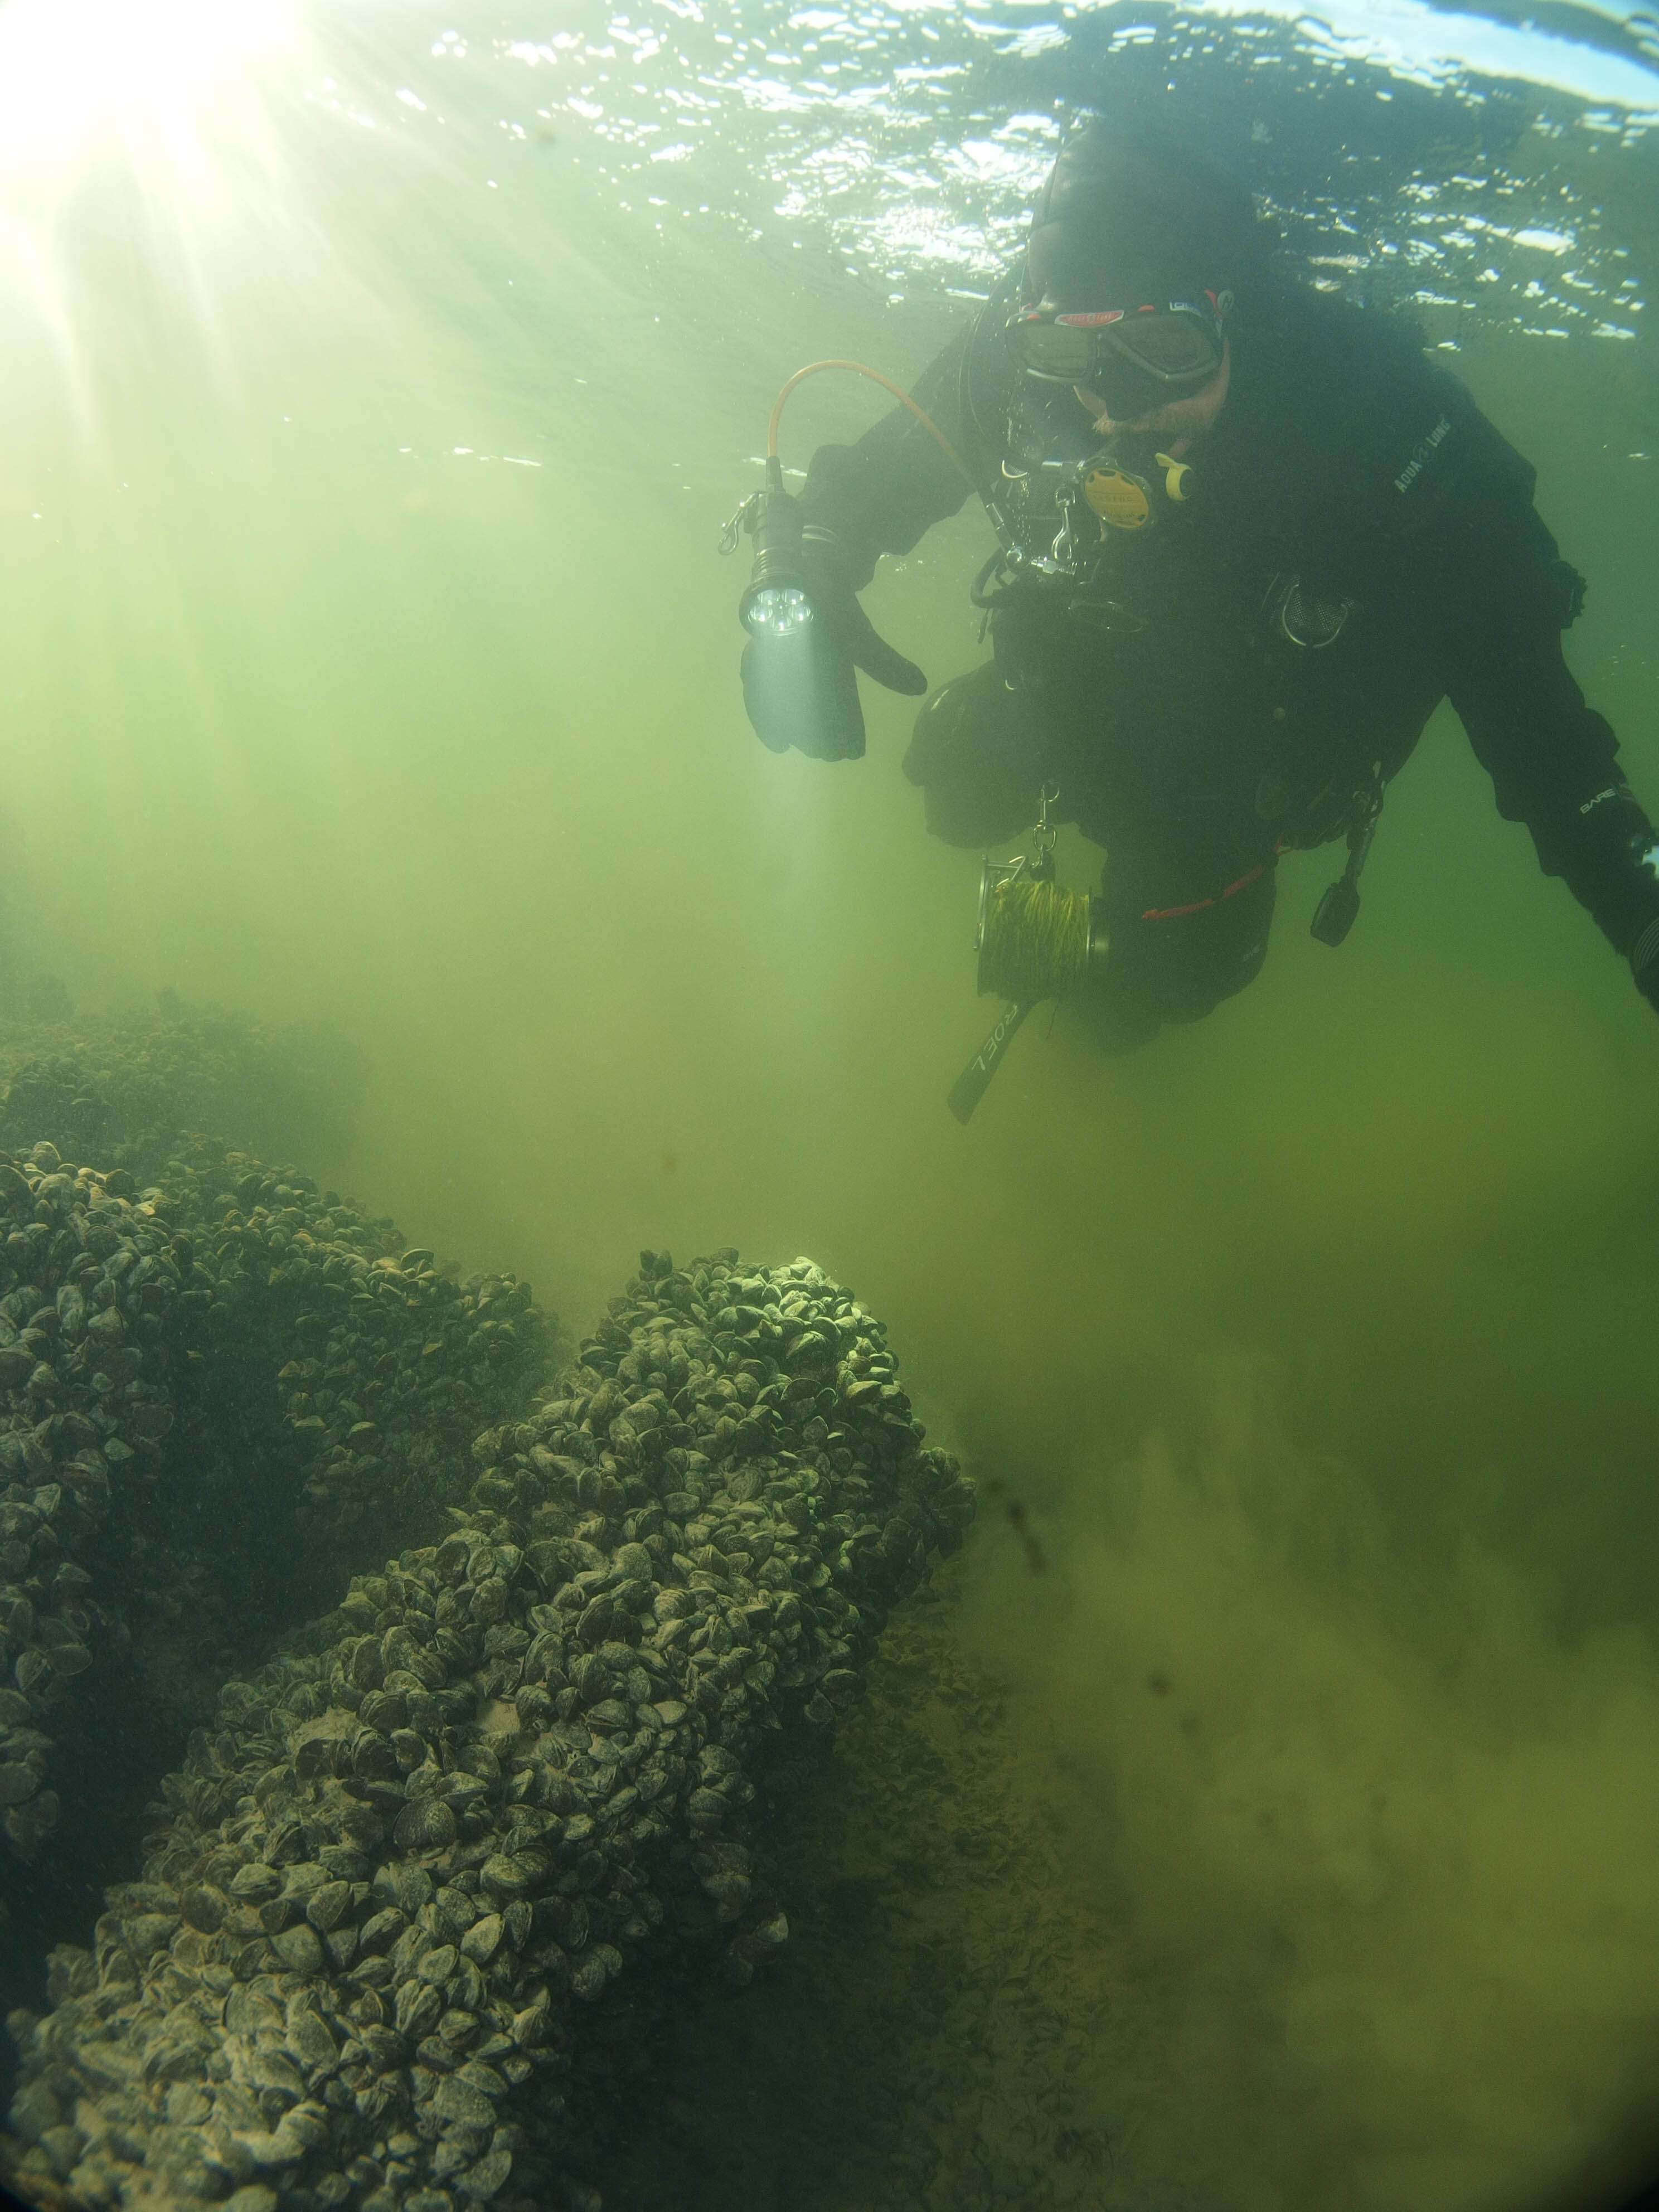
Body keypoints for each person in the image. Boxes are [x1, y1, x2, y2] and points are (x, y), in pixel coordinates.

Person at [739, 124, 1659, 1050]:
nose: (1118, 406)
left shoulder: (1390, 442)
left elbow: (1541, 734)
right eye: (1074, 356)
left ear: (1239, 315)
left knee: (1160, 983)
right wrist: (801, 573)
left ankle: (1102, 1043)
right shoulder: (1025, 354)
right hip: (1077, 694)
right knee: (948, 780)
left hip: (1234, 789)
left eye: (1169, 346)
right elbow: (879, 481)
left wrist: (1640, 903)